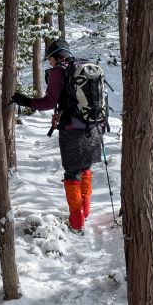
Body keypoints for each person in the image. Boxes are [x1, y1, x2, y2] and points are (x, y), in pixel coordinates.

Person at [12, 38, 102, 233]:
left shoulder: (59, 71)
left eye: (49, 59)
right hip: (93, 128)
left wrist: (25, 101)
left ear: (55, 56)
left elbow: (48, 101)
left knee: (71, 174)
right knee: (85, 169)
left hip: (72, 131)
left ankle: (77, 221)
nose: (49, 62)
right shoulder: (82, 66)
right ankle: (85, 211)